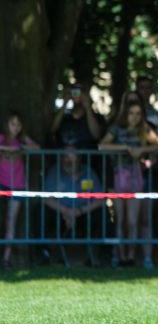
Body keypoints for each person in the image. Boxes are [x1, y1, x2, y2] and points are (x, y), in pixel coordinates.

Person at [98, 95, 158, 268]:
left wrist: (142, 149)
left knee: (133, 221)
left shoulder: (144, 129)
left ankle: (131, 256)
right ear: (125, 114)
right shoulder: (116, 129)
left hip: (136, 177)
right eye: (131, 113)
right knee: (120, 220)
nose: (134, 117)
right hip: (120, 175)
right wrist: (126, 148)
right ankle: (120, 255)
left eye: (138, 113)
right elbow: (102, 145)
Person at [42, 145, 105, 266]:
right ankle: (45, 253)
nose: (68, 161)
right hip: (60, 212)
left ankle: (98, 255)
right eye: (65, 157)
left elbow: (100, 199)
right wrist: (66, 211)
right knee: (41, 213)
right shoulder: (54, 172)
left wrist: (80, 211)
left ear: (79, 159)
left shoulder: (89, 172)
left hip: (84, 212)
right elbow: (46, 198)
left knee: (103, 215)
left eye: (72, 157)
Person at [0, 112, 40, 267]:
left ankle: (6, 258)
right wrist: (10, 150)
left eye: (18, 124)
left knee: (12, 221)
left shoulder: (22, 139)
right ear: (7, 124)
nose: (15, 127)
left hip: (17, 184)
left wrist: (22, 148)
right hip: (1, 183)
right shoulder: (2, 138)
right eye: (12, 124)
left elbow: (36, 148)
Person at [51, 82, 102, 149]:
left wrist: (88, 107)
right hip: (64, 157)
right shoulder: (63, 116)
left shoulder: (96, 117)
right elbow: (52, 129)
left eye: (80, 90)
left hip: (87, 157)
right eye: (73, 90)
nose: (76, 94)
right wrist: (65, 103)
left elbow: (96, 135)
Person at [135, 75, 158, 140]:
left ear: (152, 90)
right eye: (142, 87)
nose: (145, 90)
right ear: (137, 89)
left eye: (148, 87)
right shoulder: (126, 113)